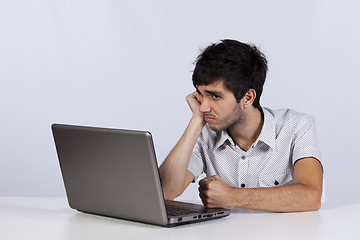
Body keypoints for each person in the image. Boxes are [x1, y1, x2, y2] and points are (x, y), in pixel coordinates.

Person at [159, 39, 323, 212]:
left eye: (215, 96)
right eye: (200, 94)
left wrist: (232, 196)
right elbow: (165, 192)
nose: (203, 107)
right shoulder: (205, 132)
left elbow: (311, 197)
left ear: (248, 98)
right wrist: (196, 121)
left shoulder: (296, 126)